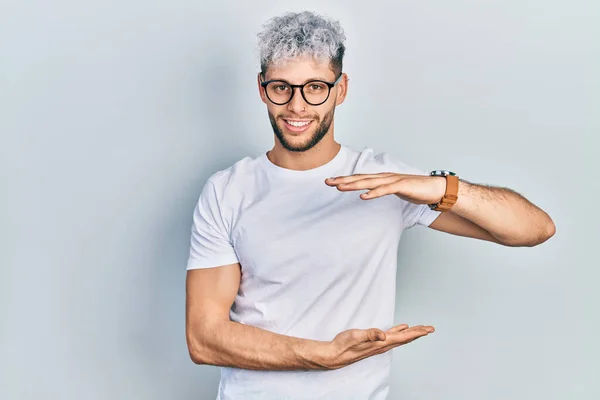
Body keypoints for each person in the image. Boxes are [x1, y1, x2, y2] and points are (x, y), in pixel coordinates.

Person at [184, 10, 555, 400]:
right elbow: (204, 338)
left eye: (315, 87)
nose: (297, 106)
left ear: (340, 89)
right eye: (282, 88)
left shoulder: (385, 181)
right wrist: (323, 356)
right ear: (262, 89)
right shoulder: (227, 190)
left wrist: (441, 187)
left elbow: (534, 230)